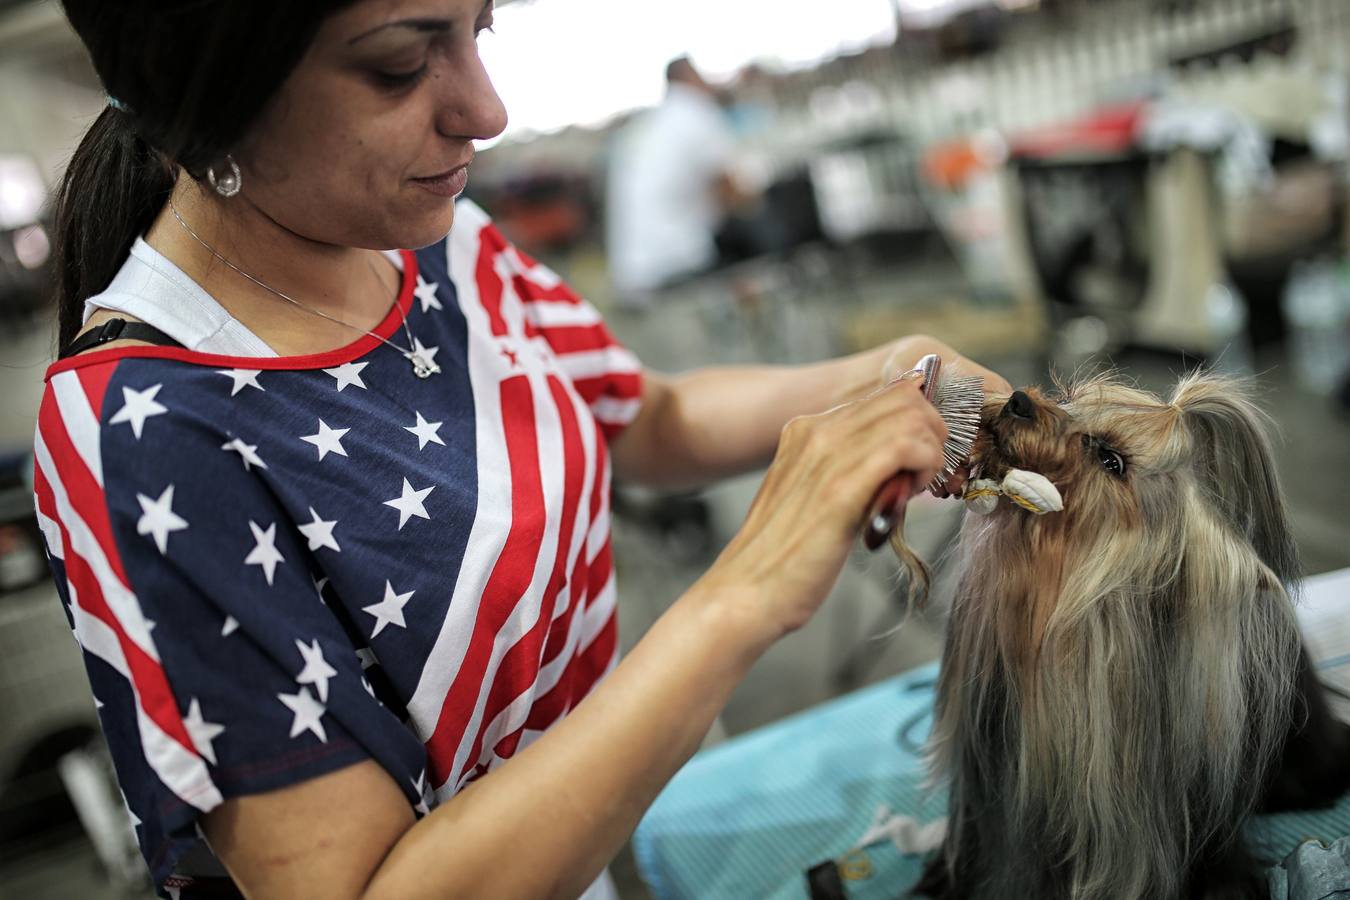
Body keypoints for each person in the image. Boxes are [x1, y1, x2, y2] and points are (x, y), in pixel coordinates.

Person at [36, 2, 1010, 898]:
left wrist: (886, 372)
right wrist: (742, 594)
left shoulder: (439, 240)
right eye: (399, 65)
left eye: (480, 32)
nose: (485, 110)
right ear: (213, 100)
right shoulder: (147, 428)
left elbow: (649, 415)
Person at [605, 56, 760, 303]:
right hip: (676, 264)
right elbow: (732, 191)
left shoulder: (656, 121)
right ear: (690, 77)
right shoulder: (695, 112)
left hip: (633, 271)